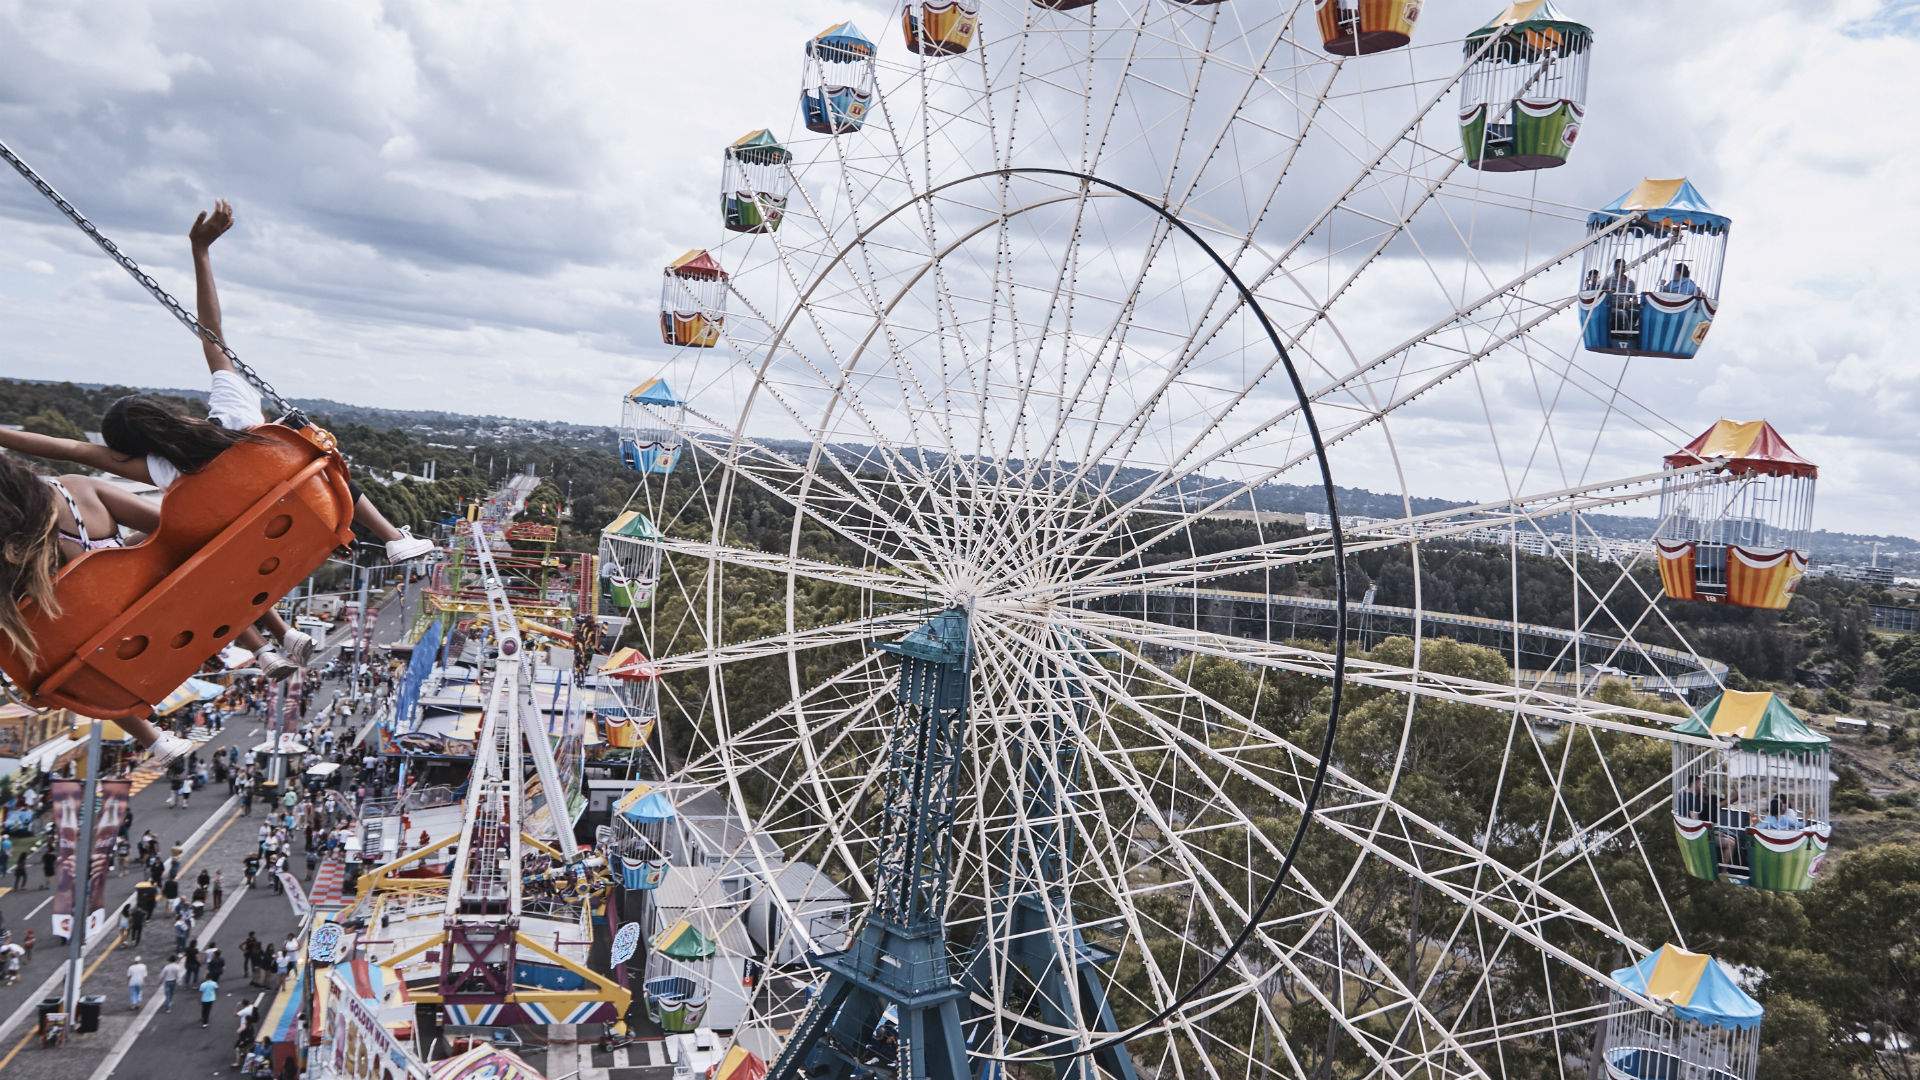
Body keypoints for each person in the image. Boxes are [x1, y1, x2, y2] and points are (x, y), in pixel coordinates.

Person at [0, 202, 434, 575]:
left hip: (249, 546)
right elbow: (211, 332)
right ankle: (392, 536)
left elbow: (66, 448)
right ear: (164, 413)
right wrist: (200, 251)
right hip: (307, 508)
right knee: (323, 466)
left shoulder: (162, 471)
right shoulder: (234, 412)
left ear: (131, 447)